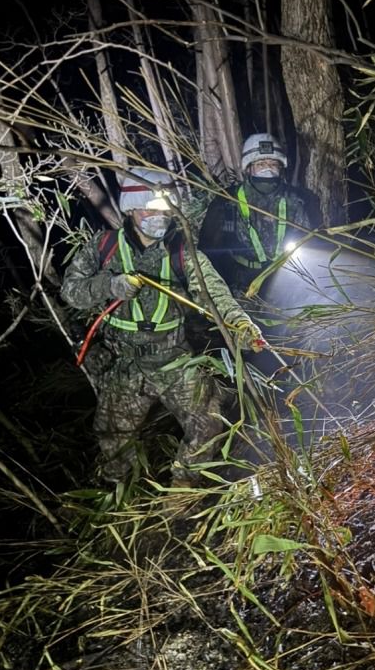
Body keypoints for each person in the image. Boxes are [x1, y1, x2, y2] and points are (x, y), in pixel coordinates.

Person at [61, 167, 266, 487]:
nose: (160, 217)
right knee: (113, 438)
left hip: (174, 358)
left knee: (209, 422)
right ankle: (120, 501)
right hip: (125, 363)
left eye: (166, 211)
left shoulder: (184, 254)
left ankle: (181, 495)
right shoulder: (103, 248)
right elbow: (71, 292)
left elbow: (216, 295)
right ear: (131, 210)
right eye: (151, 210)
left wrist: (241, 325)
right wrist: (109, 286)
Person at [201, 133, 320, 293]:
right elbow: (208, 249)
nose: (268, 169)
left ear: (281, 168)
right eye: (261, 164)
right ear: (249, 168)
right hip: (241, 283)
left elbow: (314, 242)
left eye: (273, 164)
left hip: (288, 279)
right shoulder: (227, 201)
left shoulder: (298, 200)